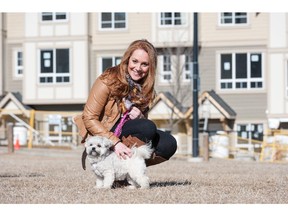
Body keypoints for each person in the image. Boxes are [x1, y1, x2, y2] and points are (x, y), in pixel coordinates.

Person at [74, 39, 177, 167]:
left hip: (126, 134)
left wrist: (140, 116)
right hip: (104, 134)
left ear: (150, 67)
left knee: (168, 143)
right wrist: (115, 143)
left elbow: (142, 130)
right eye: (135, 61)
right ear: (127, 59)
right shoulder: (107, 80)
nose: (138, 68)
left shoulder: (144, 87)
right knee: (147, 127)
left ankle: (127, 170)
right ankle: (115, 167)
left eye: (144, 64)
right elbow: (89, 118)